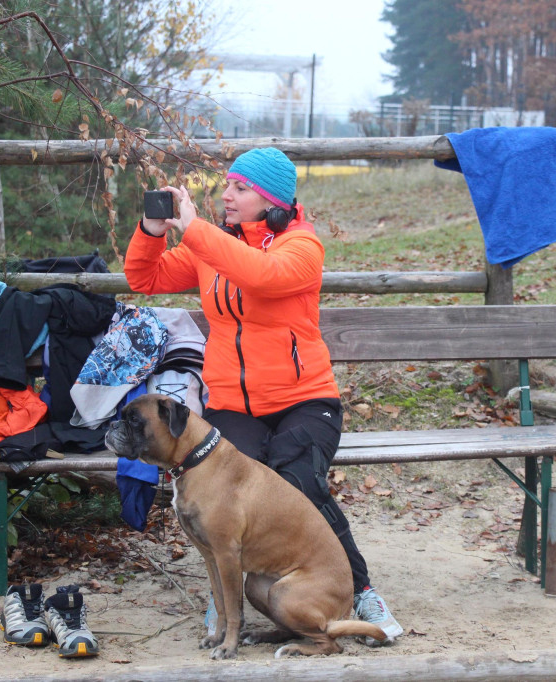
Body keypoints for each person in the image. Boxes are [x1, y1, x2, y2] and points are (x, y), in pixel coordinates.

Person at [123, 147, 404, 646]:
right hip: (234, 402)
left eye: (239, 188)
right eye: (227, 185)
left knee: (294, 477)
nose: (226, 195)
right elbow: (144, 278)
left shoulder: (302, 246)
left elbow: (262, 275)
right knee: (221, 486)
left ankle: (359, 590)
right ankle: (230, 596)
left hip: (306, 398)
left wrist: (197, 233)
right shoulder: (214, 247)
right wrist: (152, 230)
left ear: (269, 200)